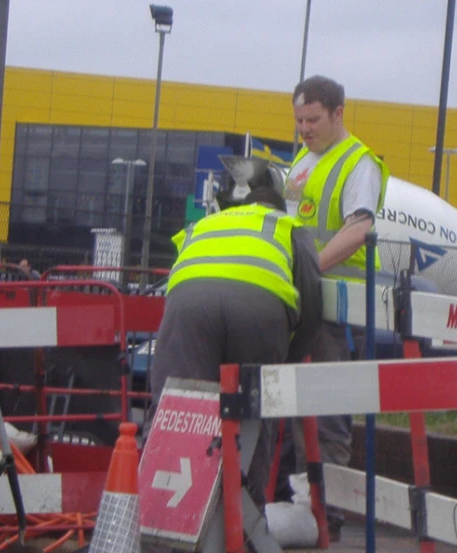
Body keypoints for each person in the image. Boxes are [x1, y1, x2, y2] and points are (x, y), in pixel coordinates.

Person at [146, 185, 322, 509]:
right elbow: (312, 307)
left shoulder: (205, 224)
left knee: (178, 410)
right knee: (253, 414)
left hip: (189, 307)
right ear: (279, 210)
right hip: (259, 309)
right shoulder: (287, 226)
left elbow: (184, 275)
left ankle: (166, 516)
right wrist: (282, 368)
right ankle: (245, 525)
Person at [284, 75, 389, 541]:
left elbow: (358, 229)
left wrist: (309, 270)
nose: (304, 129)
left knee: (330, 412)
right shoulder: (302, 163)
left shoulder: (358, 164)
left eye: (313, 120)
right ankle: (301, 504)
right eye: (299, 121)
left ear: (339, 113)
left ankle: (331, 515)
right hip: (304, 303)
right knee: (291, 405)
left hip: (340, 311)